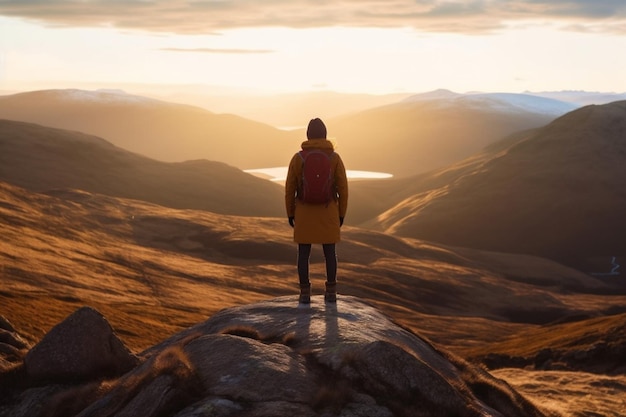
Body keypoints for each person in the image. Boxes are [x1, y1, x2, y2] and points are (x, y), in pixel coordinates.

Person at [285, 118, 348, 304]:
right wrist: (341, 213)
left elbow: (290, 188)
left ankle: (305, 294)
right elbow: (343, 188)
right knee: (330, 253)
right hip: (328, 211)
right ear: (325, 135)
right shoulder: (334, 158)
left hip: (304, 212)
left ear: (308, 135)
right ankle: (331, 293)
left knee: (303, 254)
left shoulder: (298, 158)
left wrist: (290, 213)